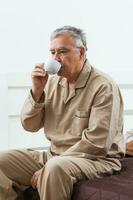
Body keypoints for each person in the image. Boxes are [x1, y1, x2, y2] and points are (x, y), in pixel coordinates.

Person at [0, 26, 125, 200]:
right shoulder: (51, 83)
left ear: (81, 52)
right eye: (52, 52)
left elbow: (97, 143)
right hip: (55, 155)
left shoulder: (103, 86)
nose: (55, 58)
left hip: (96, 159)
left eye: (62, 51)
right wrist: (37, 91)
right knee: (2, 161)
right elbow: (29, 125)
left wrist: (50, 165)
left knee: (54, 168)